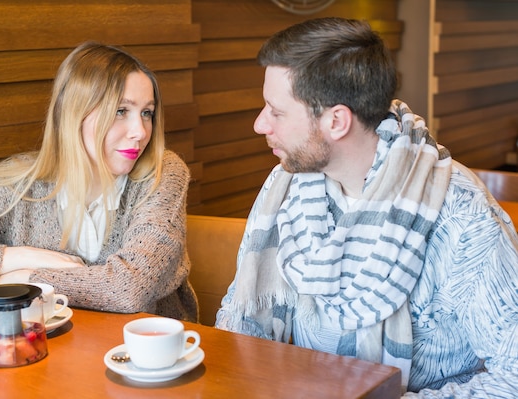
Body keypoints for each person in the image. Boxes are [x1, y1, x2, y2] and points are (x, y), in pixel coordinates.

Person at [215, 17, 518, 397]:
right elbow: (239, 314)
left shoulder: (460, 214)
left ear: (337, 121)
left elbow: (513, 375)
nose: (261, 124)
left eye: (276, 112)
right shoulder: (287, 186)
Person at [0, 42, 198, 322]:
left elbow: (130, 289)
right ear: (74, 114)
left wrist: (25, 278)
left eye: (147, 113)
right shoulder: (18, 185)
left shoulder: (162, 173)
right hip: (51, 355)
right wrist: (16, 257)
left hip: (148, 360)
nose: (140, 131)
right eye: (121, 111)